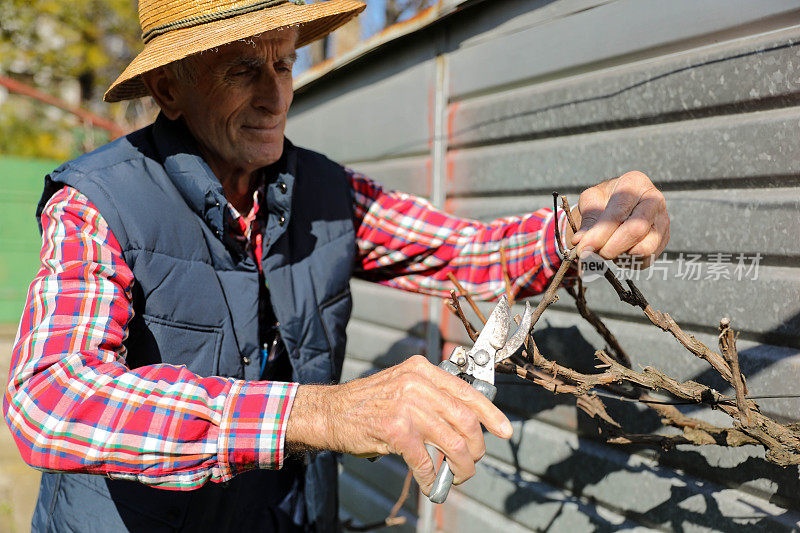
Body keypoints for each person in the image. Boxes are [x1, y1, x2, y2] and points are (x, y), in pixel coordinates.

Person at [3, 1, 669, 531]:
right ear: (167, 87)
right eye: (241, 70)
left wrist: (581, 225)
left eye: (284, 64)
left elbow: (467, 252)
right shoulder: (97, 204)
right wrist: (324, 413)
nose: (275, 97)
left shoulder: (325, 193)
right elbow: (50, 398)